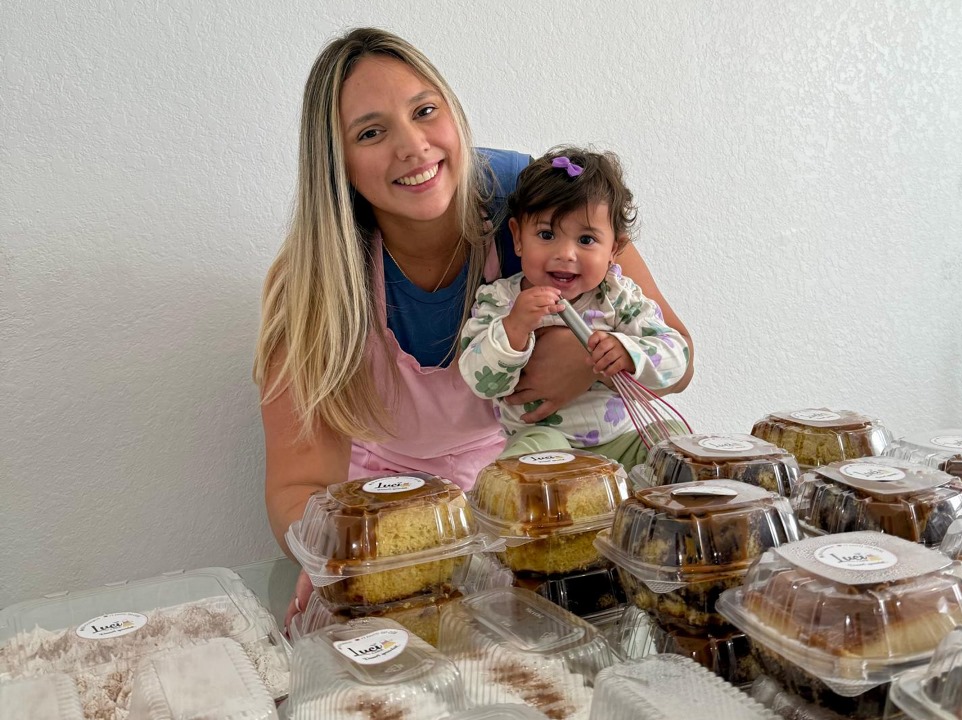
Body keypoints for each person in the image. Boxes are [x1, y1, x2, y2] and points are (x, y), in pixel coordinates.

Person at [253, 28, 695, 631]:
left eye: (425, 111)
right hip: (381, 514)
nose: (413, 146)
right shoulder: (314, 278)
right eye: (371, 132)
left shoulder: (535, 201)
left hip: (515, 495)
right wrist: (330, 550)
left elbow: (677, 353)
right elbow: (299, 482)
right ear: (337, 163)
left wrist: (587, 358)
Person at [459, 148, 689, 468]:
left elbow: (677, 357)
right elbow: (480, 382)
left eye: (586, 240)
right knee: (519, 467)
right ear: (518, 237)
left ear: (615, 249)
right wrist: (513, 329)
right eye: (546, 234)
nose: (566, 253)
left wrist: (628, 352)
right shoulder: (499, 301)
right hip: (543, 439)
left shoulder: (619, 297)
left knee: (676, 443)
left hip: (624, 439)